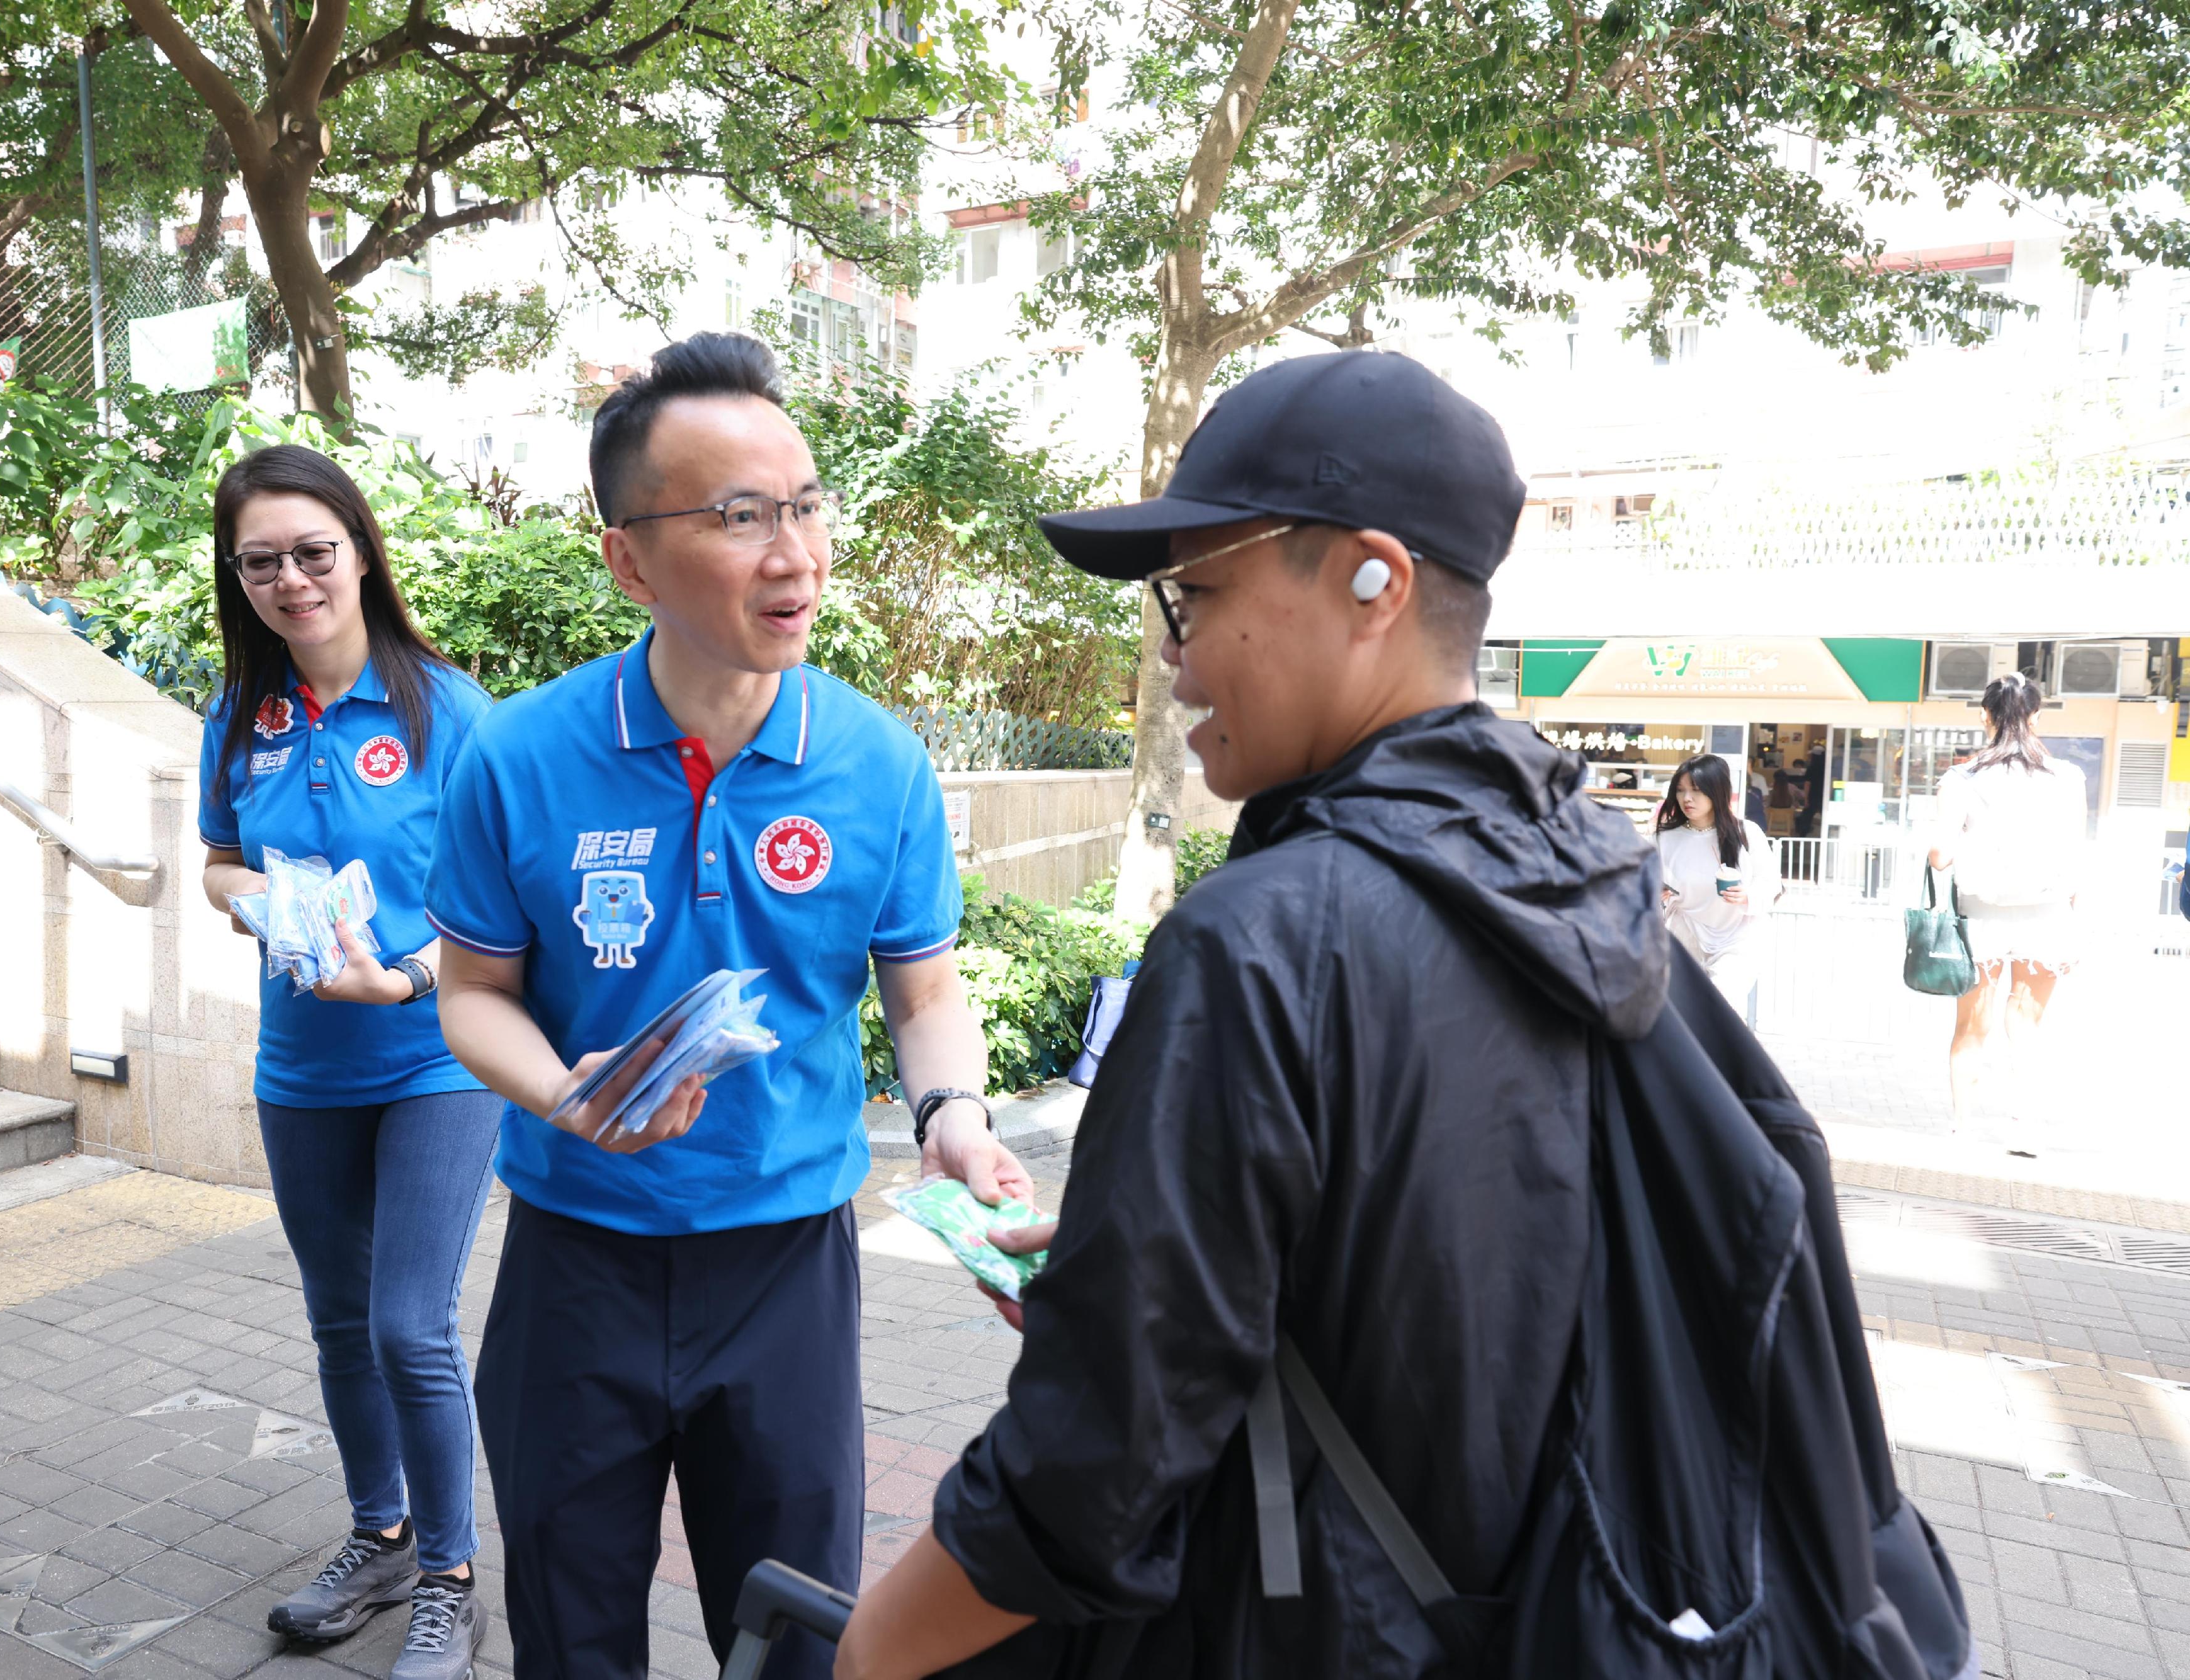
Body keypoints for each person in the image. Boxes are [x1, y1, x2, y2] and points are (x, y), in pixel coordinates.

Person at [832, 350, 1671, 1674]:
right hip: (1531, 1598)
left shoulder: (1262, 939)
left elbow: (1091, 1462)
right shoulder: (1579, 867)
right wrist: (1154, 1250)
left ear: (1371, 582)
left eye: (1196, 593)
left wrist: (873, 1646)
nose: (1172, 660)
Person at [423, 332, 1028, 1680]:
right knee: (572, 1631)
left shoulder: (878, 764)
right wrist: (564, 1095)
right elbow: (471, 996)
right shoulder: (520, 755)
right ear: (627, 557)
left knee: (794, 1632)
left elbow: (923, 991)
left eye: (805, 504)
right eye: (738, 515)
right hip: (575, 1257)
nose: (793, 551)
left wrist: (951, 1113)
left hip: (788, 1268)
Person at [196, 445, 498, 1680]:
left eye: (312, 551)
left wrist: (409, 975)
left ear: (360, 551)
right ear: (238, 577)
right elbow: (217, 859)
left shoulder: (450, 708)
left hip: (437, 1055)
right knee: (336, 1320)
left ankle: (449, 1572)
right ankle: (377, 1533)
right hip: (303, 1065)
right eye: (261, 560)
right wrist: (263, 905)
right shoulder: (241, 713)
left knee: (407, 1322)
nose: (291, 578)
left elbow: (504, 903)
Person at [1927, 672, 2088, 1144]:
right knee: (2027, 1023)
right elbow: (2077, 859)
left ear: (1984, 716)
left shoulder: (1961, 779)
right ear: (2036, 718)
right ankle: (2025, 1130)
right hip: (2047, 915)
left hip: (1981, 916)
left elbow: (1940, 856)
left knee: (1971, 1028)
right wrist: (2079, 924)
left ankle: (1962, 1126)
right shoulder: (2069, 778)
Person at [1655, 753, 1779, 1026]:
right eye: (1681, 790)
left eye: (1696, 791)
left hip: (1739, 938)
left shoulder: (1746, 832)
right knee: (1683, 1016)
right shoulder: (1664, 838)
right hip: (1685, 936)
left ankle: (1725, 1066)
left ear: (1718, 791)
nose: (1687, 798)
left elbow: (1771, 883)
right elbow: (1642, 886)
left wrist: (1748, 896)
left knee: (1719, 1012)